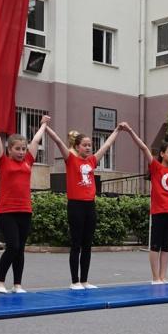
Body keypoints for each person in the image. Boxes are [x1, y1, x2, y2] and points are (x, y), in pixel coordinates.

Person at [0, 111, 50, 293]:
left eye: (23, 149)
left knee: (20, 249)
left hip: (25, 210)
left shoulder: (28, 161)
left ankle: (17, 284)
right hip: (7, 211)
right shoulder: (2, 161)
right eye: (17, 149)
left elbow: (35, 141)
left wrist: (43, 125)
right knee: (13, 245)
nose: (21, 152)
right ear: (9, 149)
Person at [46, 123, 121, 289]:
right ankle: (75, 281)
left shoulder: (92, 161)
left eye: (90, 145)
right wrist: (46, 126)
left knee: (87, 244)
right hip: (75, 206)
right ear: (77, 147)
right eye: (85, 145)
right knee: (76, 244)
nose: (88, 148)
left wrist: (116, 130)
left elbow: (107, 145)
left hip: (90, 206)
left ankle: (85, 280)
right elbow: (58, 141)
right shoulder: (71, 160)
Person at [122, 122, 168, 284]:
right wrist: (130, 130)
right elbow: (144, 148)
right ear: (162, 154)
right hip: (159, 211)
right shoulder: (155, 167)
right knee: (155, 245)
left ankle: (163, 276)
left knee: (166, 246)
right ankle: (155, 277)